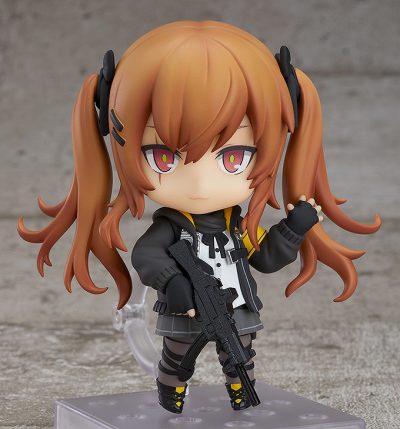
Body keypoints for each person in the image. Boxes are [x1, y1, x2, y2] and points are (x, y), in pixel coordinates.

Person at [17, 21, 381, 414]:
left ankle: (240, 394)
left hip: (235, 308)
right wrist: (172, 282)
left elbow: (265, 259)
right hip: (185, 308)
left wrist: (294, 228)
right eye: (162, 157)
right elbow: (146, 255)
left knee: (240, 357)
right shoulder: (170, 228)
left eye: (234, 157)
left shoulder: (238, 228)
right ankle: (171, 393)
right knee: (177, 359)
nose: (200, 184)